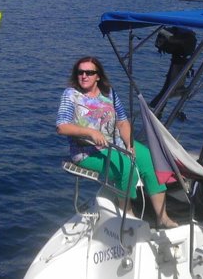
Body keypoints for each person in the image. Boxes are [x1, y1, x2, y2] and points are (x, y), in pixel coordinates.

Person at [56, 56, 178, 229]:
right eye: (80, 72)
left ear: (98, 76)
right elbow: (62, 127)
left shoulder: (109, 94)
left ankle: (162, 217)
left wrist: (129, 144)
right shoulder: (71, 95)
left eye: (89, 72)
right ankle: (127, 212)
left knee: (150, 161)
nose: (84, 76)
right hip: (88, 152)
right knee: (126, 167)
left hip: (117, 145)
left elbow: (122, 122)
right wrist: (90, 132)